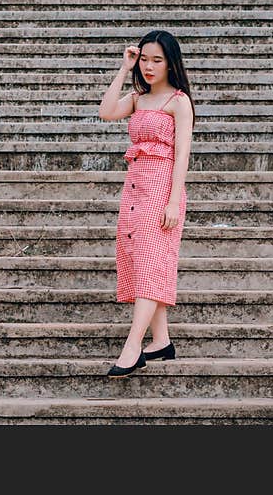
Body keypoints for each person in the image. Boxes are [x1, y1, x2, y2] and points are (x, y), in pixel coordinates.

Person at [98, 29, 196, 378]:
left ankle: (133, 345)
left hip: (161, 191)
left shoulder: (178, 101)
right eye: (144, 59)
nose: (150, 66)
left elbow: (182, 155)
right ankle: (162, 340)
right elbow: (107, 112)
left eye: (157, 59)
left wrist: (173, 201)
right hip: (135, 189)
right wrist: (124, 69)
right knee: (140, 262)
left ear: (171, 62)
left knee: (153, 262)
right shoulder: (139, 98)